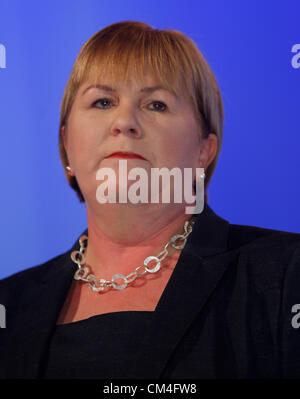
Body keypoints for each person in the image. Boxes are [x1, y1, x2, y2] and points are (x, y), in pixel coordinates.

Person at [1, 20, 300, 380]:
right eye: (103, 101)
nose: (124, 122)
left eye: (156, 105)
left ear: (204, 151)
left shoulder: (284, 276)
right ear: (66, 146)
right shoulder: (10, 305)